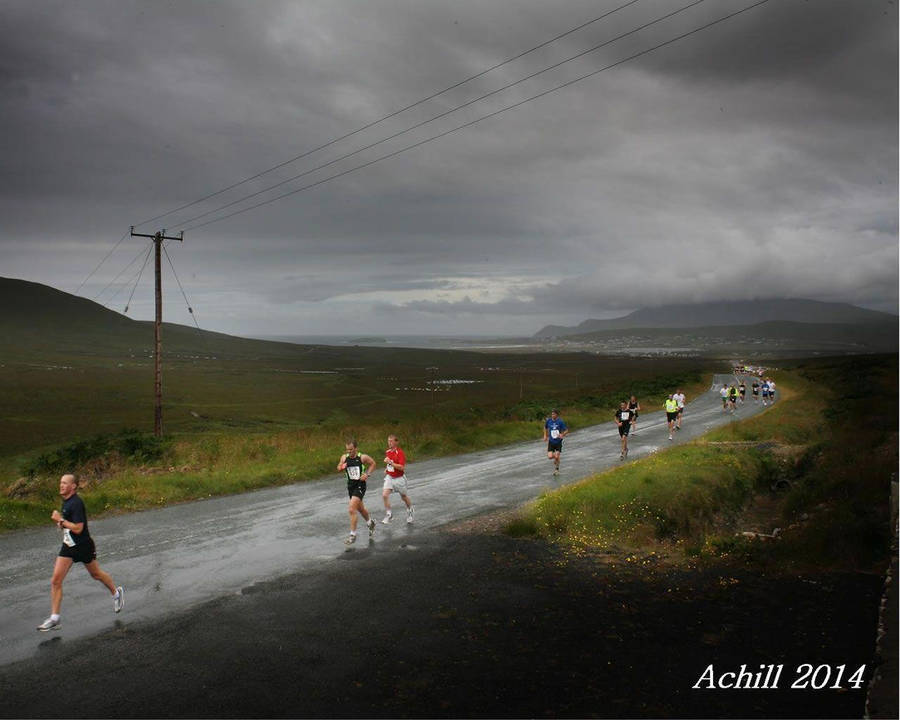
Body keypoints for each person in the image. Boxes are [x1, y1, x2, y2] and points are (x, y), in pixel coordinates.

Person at [37, 474, 123, 632]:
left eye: (65, 483)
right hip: (69, 546)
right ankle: (55, 618)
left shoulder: (76, 503)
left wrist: (60, 520)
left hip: (83, 546)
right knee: (56, 580)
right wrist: (61, 524)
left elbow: (78, 528)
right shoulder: (66, 502)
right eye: (60, 482)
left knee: (96, 574)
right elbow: (70, 527)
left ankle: (116, 592)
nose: (61, 485)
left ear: (73, 486)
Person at [337, 440, 377, 545]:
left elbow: (373, 463)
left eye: (351, 449)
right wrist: (341, 467)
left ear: (355, 448)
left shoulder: (362, 457)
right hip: (350, 487)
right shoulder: (344, 457)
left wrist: (367, 474)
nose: (349, 451)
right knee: (361, 509)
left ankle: (353, 535)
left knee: (351, 509)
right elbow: (338, 467)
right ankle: (370, 523)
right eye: (347, 449)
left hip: (360, 485)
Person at [381, 434, 414, 525]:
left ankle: (410, 510)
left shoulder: (400, 453)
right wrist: (387, 468)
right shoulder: (388, 452)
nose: (389, 443)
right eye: (388, 441)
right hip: (390, 478)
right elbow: (390, 464)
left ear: (396, 442)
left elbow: (401, 467)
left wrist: (390, 463)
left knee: (403, 497)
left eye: (391, 441)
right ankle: (389, 514)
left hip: (399, 479)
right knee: (384, 495)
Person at [543, 409, 569, 475]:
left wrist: (562, 434)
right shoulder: (548, 421)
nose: (552, 415)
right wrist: (545, 435)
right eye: (552, 414)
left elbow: (566, 430)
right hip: (551, 441)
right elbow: (545, 428)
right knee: (550, 456)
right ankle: (556, 458)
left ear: (557, 415)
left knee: (557, 457)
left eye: (554, 414)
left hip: (558, 442)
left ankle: (557, 470)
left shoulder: (560, 422)